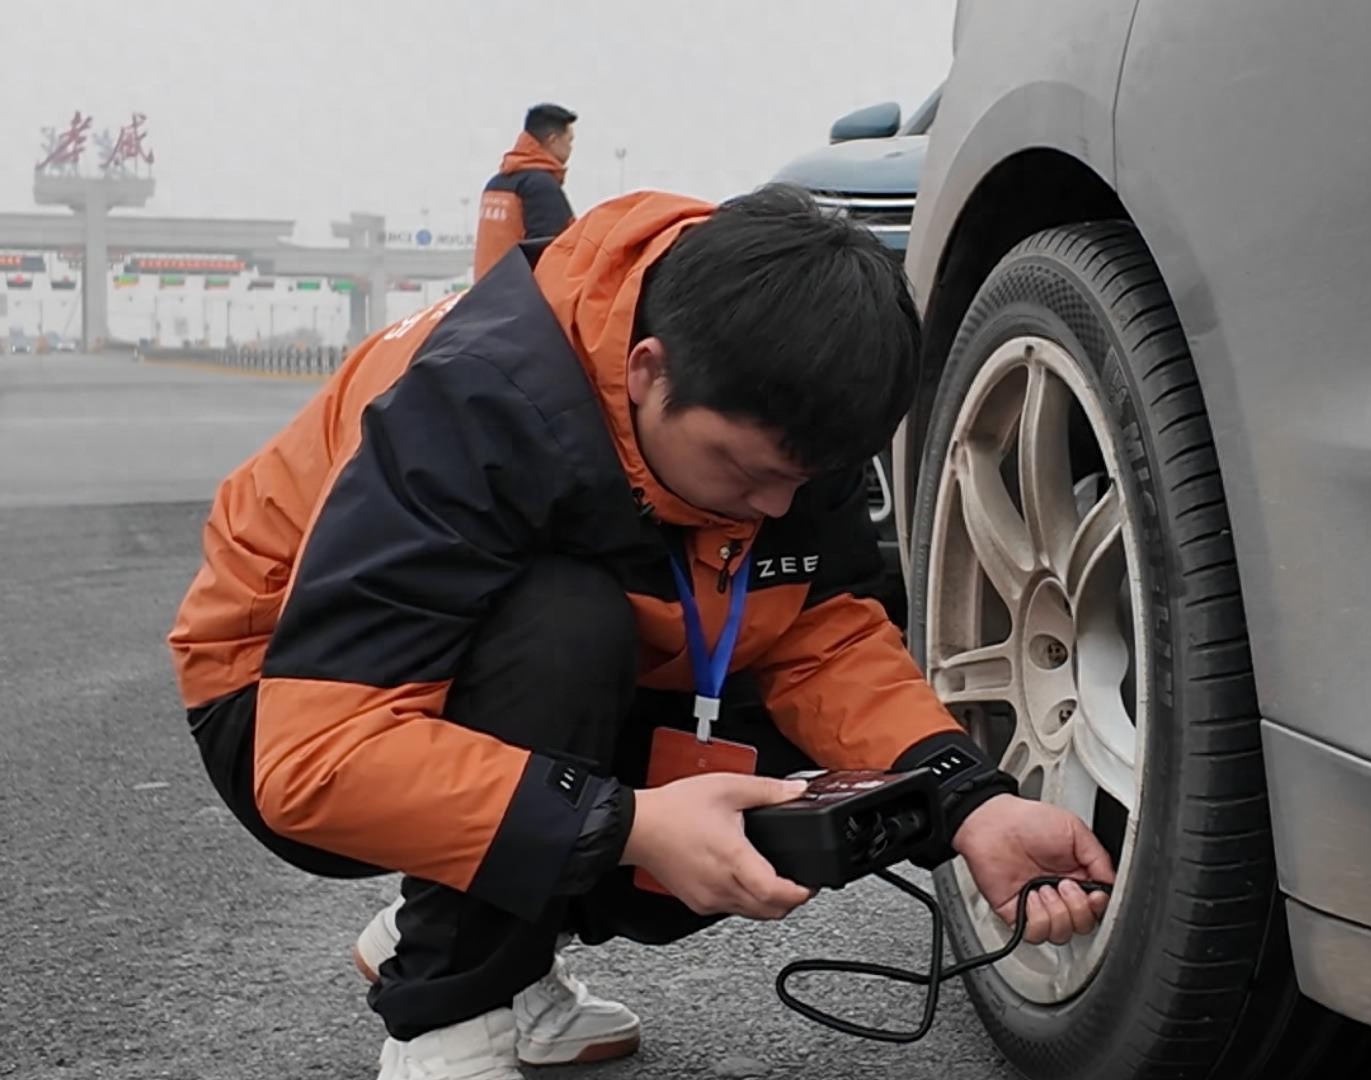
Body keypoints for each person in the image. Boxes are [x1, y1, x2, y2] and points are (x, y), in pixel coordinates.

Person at [167, 184, 1114, 1080]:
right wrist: (630, 823)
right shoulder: (473, 402)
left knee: (822, 789)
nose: (777, 507)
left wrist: (967, 801)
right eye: (746, 474)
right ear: (646, 370)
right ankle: (449, 1020)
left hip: (531, 671)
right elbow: (313, 761)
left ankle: (487, 937)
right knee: (562, 625)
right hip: (283, 701)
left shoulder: (780, 402)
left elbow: (821, 636)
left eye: (807, 481)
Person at [473, 103, 578, 280]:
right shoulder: (541, 187)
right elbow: (553, 253)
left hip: (486, 294)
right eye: (569, 141)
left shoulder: (496, 184)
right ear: (553, 140)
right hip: (520, 299)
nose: (571, 148)